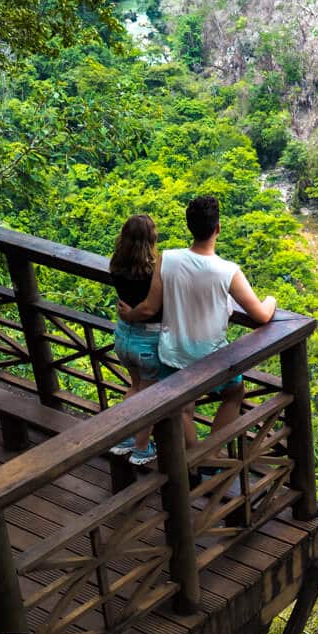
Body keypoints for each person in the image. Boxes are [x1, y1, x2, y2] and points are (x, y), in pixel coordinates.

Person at [117, 195, 277, 452]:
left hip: (171, 351)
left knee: (182, 407)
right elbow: (261, 315)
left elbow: (151, 306)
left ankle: (194, 459)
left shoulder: (166, 259)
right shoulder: (228, 270)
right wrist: (271, 299)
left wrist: (130, 315)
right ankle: (210, 455)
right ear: (218, 228)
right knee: (235, 392)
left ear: (189, 226)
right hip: (210, 357)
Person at [109, 213, 163, 466]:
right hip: (147, 341)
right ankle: (141, 448)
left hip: (123, 337)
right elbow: (150, 309)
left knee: (135, 387)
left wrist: (129, 314)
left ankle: (123, 438)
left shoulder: (116, 265)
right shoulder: (153, 272)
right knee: (148, 398)